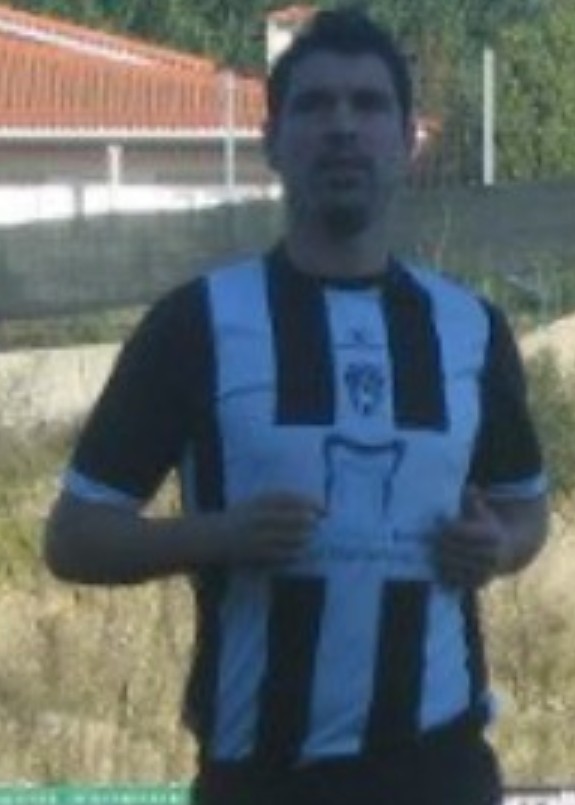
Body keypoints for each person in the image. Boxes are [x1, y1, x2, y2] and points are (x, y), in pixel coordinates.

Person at [44, 8, 549, 805]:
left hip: (439, 771)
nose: (342, 126)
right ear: (272, 142)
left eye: (367, 104)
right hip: (262, 776)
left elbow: (524, 510)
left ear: (407, 140)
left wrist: (497, 545)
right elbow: (74, 537)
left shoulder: (469, 328)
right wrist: (217, 536)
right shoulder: (195, 324)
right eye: (313, 105)